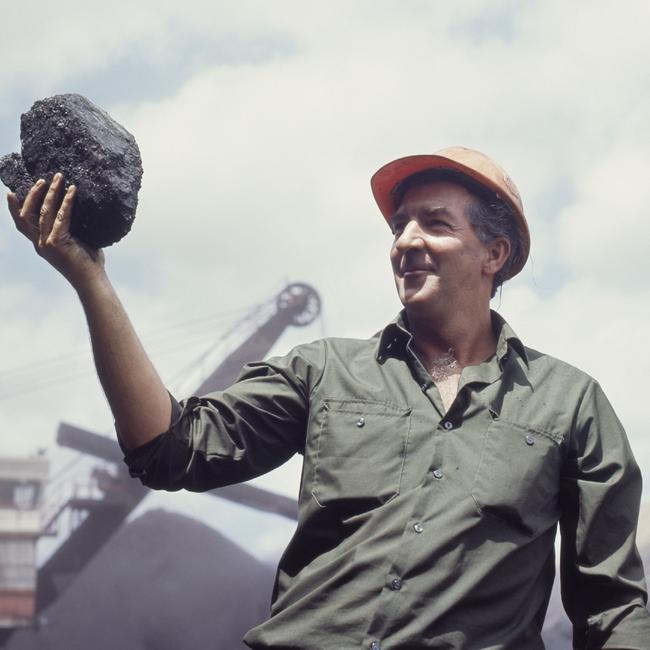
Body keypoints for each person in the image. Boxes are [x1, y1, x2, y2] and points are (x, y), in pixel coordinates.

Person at [7, 146, 650, 649]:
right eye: (399, 226)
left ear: (494, 252)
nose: (405, 241)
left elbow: (613, 609)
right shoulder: (323, 372)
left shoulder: (570, 405)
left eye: (434, 223)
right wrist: (89, 277)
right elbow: (170, 449)